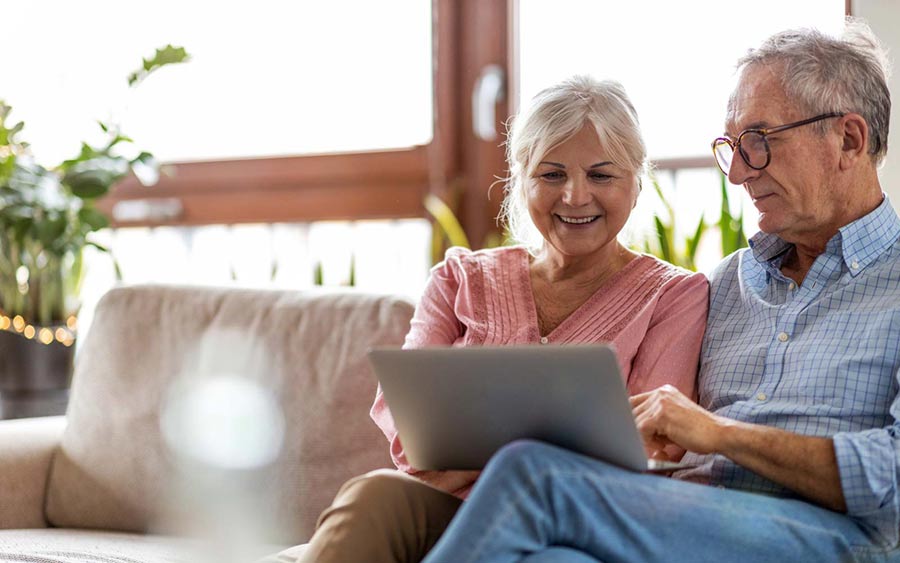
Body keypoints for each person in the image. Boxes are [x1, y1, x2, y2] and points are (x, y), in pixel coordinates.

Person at [419, 19, 900, 563]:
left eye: (759, 142)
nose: (738, 173)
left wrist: (720, 435)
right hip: (685, 523)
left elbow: (894, 477)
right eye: (733, 147)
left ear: (849, 139)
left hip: (834, 536)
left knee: (534, 474)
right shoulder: (724, 284)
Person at [297, 76, 709, 563]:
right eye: (552, 175)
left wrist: (480, 456)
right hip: (446, 509)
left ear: (637, 184)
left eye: (602, 175)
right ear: (522, 180)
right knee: (375, 494)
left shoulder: (674, 295)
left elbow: (650, 449)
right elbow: (411, 435)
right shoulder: (458, 277)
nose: (576, 197)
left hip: (568, 523)